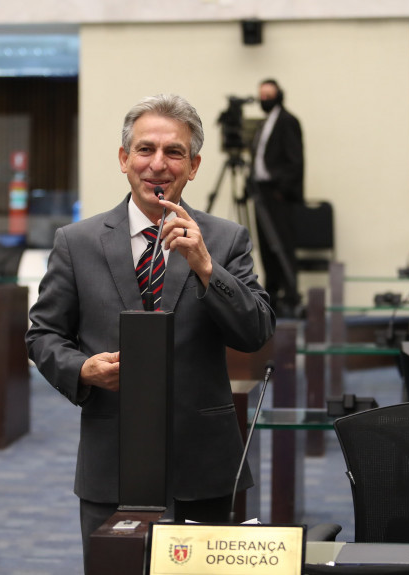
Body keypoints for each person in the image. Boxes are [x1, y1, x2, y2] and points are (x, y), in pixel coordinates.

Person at [25, 94, 275, 573]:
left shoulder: (225, 240)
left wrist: (206, 267)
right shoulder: (76, 243)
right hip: (112, 461)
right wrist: (83, 368)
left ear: (194, 165)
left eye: (174, 152)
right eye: (145, 150)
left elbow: (255, 332)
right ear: (124, 159)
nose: (158, 165)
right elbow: (43, 335)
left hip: (204, 465)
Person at [248, 78, 304, 317]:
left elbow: (295, 160)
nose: (265, 99)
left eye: (269, 95)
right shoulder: (264, 124)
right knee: (266, 246)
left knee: (282, 244)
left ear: (279, 95)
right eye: (262, 95)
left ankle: (290, 295)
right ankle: (271, 294)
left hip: (278, 194)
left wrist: (282, 188)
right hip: (261, 192)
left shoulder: (287, 121)